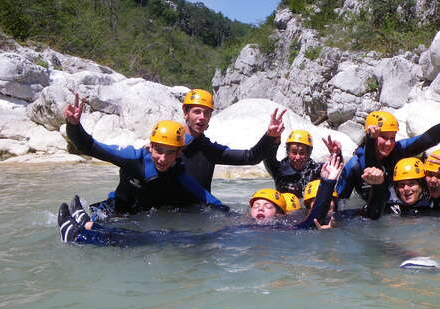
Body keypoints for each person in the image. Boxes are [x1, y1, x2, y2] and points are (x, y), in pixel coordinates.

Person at [56, 154, 344, 246]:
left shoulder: (283, 228)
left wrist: (328, 181)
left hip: (214, 246)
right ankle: (90, 226)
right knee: (161, 235)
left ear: (279, 213)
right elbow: (216, 209)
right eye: (256, 204)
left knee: (159, 238)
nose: (259, 208)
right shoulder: (241, 219)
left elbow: (311, 222)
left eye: (267, 206)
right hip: (212, 241)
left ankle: (81, 237)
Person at [63, 95, 224, 220]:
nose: (162, 158)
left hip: (140, 216)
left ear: (178, 154)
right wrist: (74, 125)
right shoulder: (132, 157)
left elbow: (206, 197)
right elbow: (89, 147)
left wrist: (231, 216)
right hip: (114, 211)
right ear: (150, 146)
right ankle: (89, 222)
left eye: (170, 153)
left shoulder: (177, 171)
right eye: (158, 150)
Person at [336, 94, 440, 202]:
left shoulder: (400, 150)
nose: (388, 143)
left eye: (392, 137)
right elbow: (340, 201)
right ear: (370, 134)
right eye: (383, 137)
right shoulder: (354, 166)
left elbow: (431, 137)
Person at [180, 89, 285, 192]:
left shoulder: (209, 149)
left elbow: (251, 157)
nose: (202, 117)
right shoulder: (169, 144)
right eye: (197, 112)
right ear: (185, 112)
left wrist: (270, 136)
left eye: (206, 113)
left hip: (200, 207)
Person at [263, 129, 343, 197]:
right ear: (287, 152)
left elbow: (334, 169)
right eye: (294, 152)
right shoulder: (278, 169)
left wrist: (336, 154)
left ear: (309, 153)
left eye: (302, 153)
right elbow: (267, 157)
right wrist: (274, 142)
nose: (297, 157)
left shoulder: (316, 170)